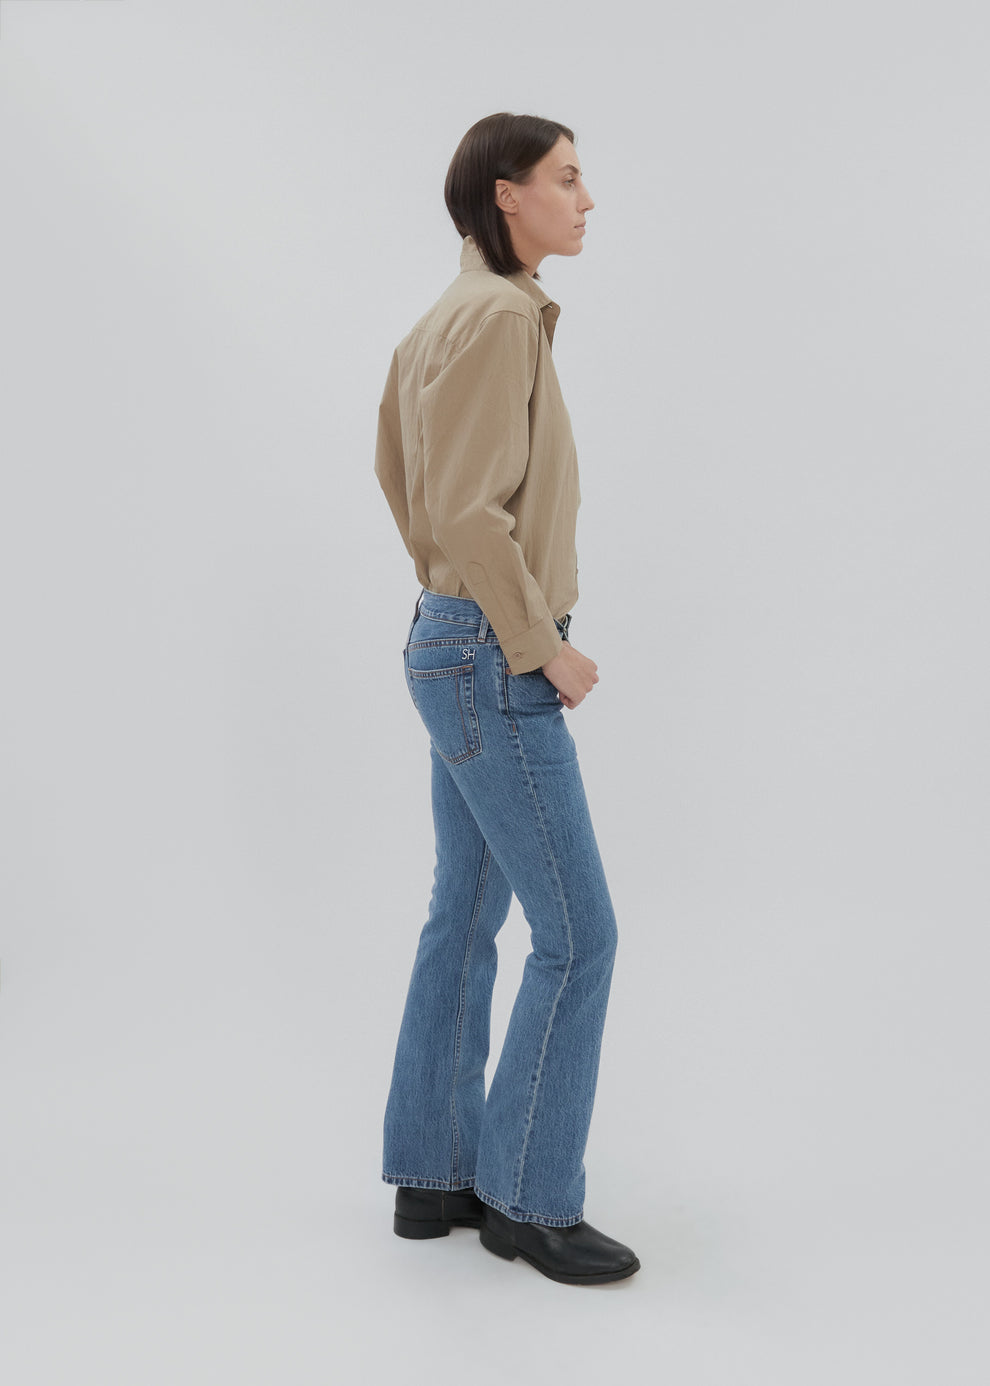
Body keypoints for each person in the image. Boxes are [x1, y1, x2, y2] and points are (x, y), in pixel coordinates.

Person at [373, 112, 639, 1286]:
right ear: (506, 193)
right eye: (567, 177)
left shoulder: (451, 313)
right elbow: (468, 513)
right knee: (580, 936)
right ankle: (528, 1199)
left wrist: (454, 599)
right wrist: (536, 643)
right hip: (494, 653)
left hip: (455, 639)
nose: (587, 198)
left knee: (466, 911)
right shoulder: (496, 319)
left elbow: (399, 474)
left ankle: (433, 1175)